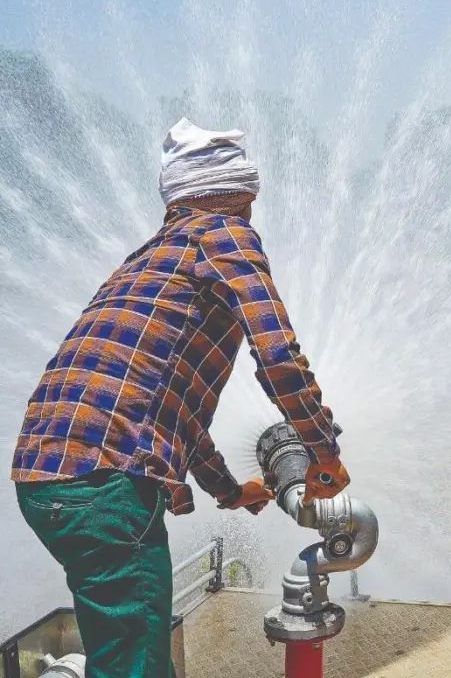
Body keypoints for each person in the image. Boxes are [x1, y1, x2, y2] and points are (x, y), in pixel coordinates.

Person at [11, 118, 351, 678]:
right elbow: (279, 356)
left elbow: (162, 409)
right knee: (137, 664)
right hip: (106, 485)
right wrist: (324, 452)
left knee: (122, 651)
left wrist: (226, 488)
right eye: (249, 197)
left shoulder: (147, 261)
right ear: (234, 194)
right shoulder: (225, 234)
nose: (253, 209)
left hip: (47, 482)